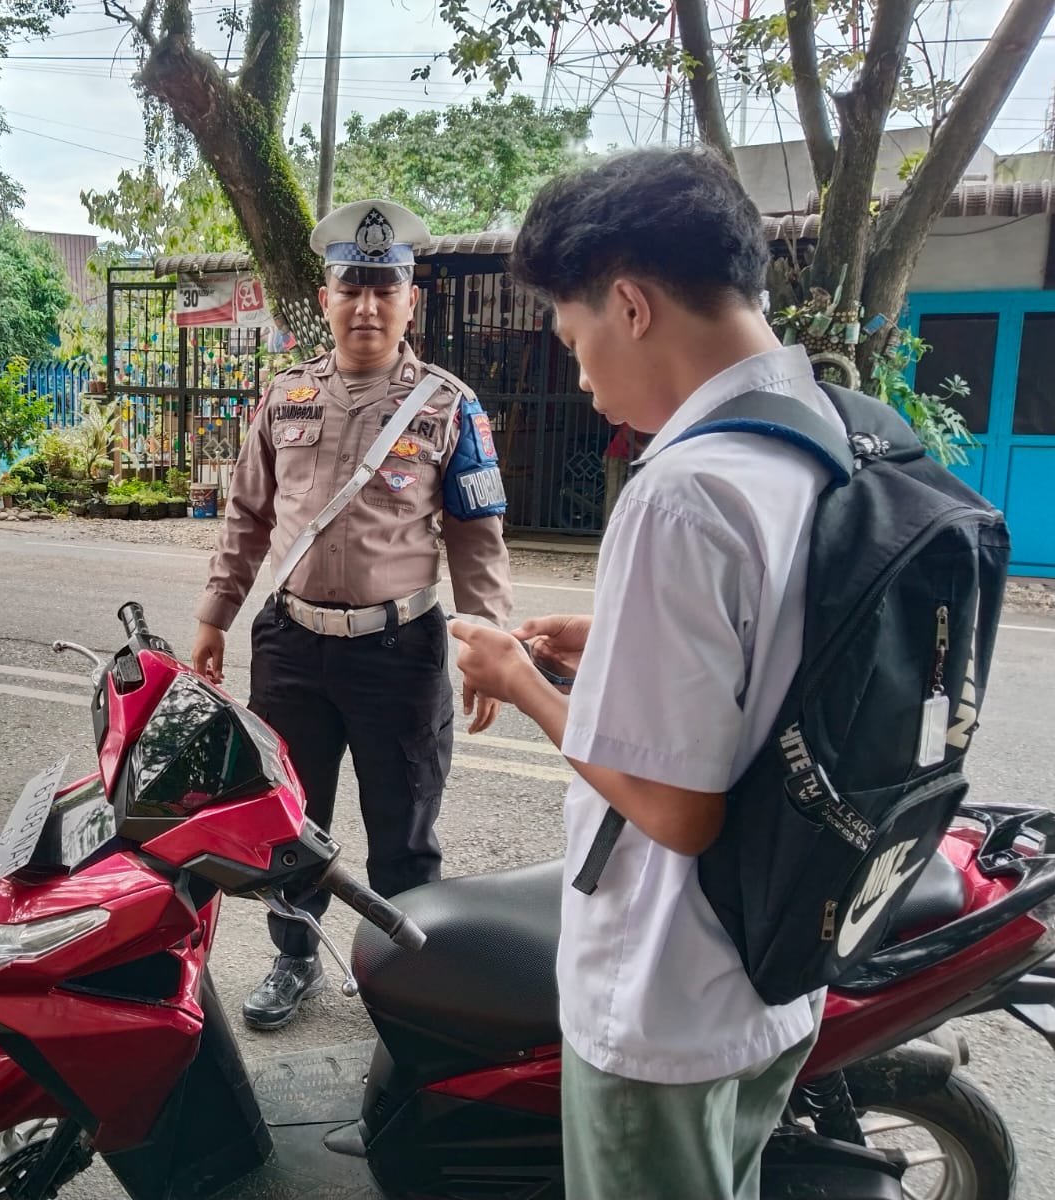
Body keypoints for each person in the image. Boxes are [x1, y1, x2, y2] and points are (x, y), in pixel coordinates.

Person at [450, 147, 827, 1200]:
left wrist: (523, 683)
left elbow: (674, 806)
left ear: (627, 305)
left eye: (571, 340)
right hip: (775, 970)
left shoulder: (681, 494)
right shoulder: (812, 432)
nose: (576, 374)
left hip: (670, 991)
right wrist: (616, 638)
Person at [191, 198, 512, 1031]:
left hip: (399, 650)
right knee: (291, 820)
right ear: (326, 298)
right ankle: (293, 957)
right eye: (350, 288)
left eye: (384, 289)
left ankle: (407, 981)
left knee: (403, 826)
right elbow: (246, 517)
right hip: (292, 644)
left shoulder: (447, 407)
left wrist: (488, 643)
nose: (366, 306)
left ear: (412, 302)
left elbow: (477, 539)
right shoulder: (286, 395)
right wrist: (215, 615)